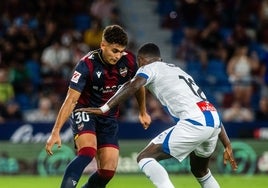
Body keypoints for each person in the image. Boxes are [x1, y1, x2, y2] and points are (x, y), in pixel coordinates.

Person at [77, 43, 238, 188]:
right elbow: (207, 107)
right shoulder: (177, 70)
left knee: (145, 157)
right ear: (159, 58)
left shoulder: (150, 67)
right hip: (213, 121)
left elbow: (133, 85)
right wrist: (227, 144)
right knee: (200, 170)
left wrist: (104, 108)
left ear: (140, 60)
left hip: (194, 122)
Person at [45, 25, 151, 188]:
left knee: (107, 171)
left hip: (108, 116)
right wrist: (55, 131)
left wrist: (143, 112)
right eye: (114, 50)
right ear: (103, 45)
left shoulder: (129, 60)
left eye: (121, 51)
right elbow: (71, 99)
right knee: (88, 152)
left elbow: (138, 85)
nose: (118, 56)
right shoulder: (86, 65)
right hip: (85, 110)